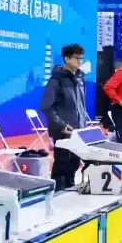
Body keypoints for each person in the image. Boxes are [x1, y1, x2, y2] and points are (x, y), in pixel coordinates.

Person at [40, 44, 90, 191]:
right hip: (63, 130)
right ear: (67, 58)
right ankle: (58, 193)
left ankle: (70, 191)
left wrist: (83, 124)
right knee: (62, 164)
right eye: (77, 58)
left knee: (74, 163)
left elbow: (80, 104)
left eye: (82, 58)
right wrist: (61, 125)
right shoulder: (56, 79)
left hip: (78, 129)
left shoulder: (80, 77)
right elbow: (46, 106)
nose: (80, 61)